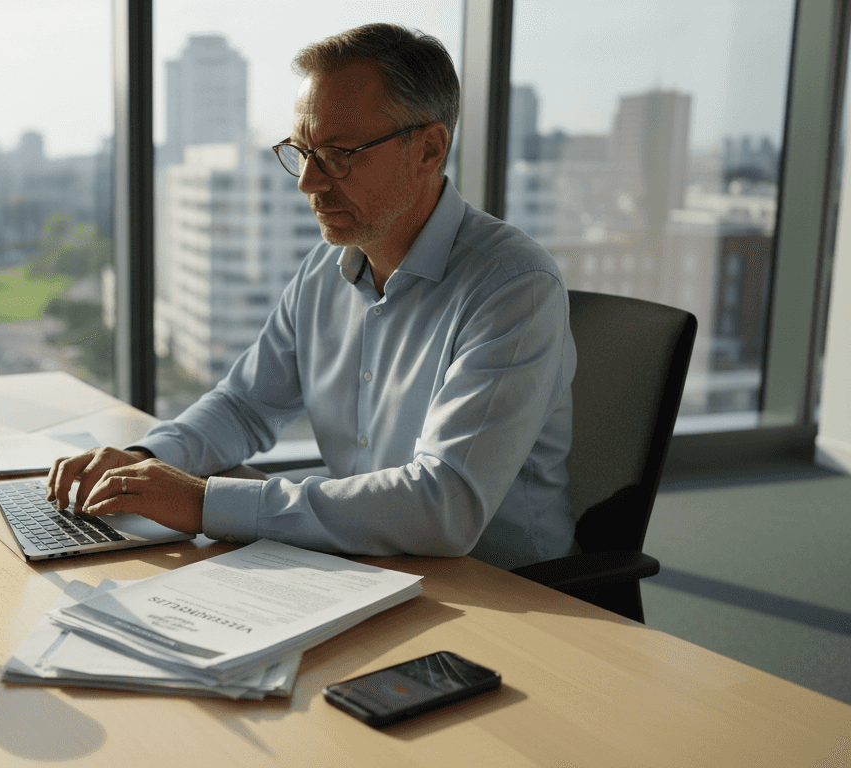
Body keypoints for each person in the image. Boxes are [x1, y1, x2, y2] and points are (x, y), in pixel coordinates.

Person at [47, 22, 577, 570]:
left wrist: (202, 503)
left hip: (508, 590)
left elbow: (445, 504)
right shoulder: (325, 269)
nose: (308, 182)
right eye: (302, 152)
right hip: (363, 567)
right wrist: (141, 462)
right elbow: (244, 407)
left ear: (429, 149)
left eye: (338, 154)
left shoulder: (514, 286)